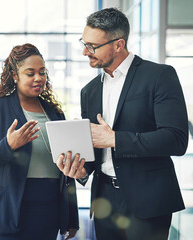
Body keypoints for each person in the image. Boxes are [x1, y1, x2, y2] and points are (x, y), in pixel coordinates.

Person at [56, 8, 188, 240]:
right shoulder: (89, 91)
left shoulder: (160, 76)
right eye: (84, 43)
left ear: (118, 45)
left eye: (93, 46)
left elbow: (176, 139)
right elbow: (96, 153)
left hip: (149, 202)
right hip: (104, 201)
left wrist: (115, 139)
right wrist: (81, 170)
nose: (85, 52)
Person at [0, 43, 79, 240]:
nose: (38, 78)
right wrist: (8, 145)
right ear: (15, 75)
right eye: (30, 73)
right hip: (9, 210)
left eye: (42, 72)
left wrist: (71, 217)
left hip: (49, 210)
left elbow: (66, 170)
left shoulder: (55, 113)